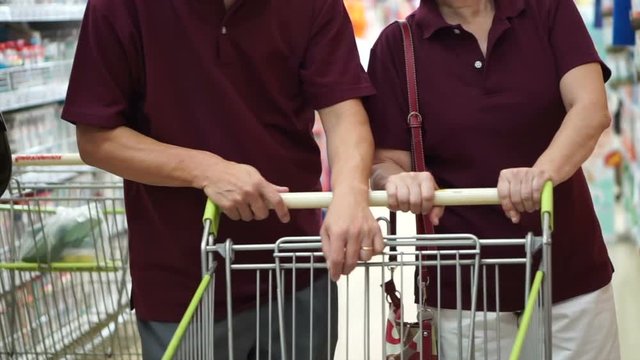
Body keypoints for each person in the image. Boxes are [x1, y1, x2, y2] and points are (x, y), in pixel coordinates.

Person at [61, 0, 384, 358]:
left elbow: (343, 112)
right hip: (183, 279)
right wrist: (205, 169)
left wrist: (352, 193)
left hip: (296, 265)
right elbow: (96, 138)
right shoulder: (121, 6)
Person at [365, 0, 620, 358]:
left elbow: (590, 108)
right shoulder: (398, 45)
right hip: (461, 287)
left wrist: (540, 172)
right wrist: (399, 180)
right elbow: (385, 160)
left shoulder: (548, 11)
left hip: (568, 268)